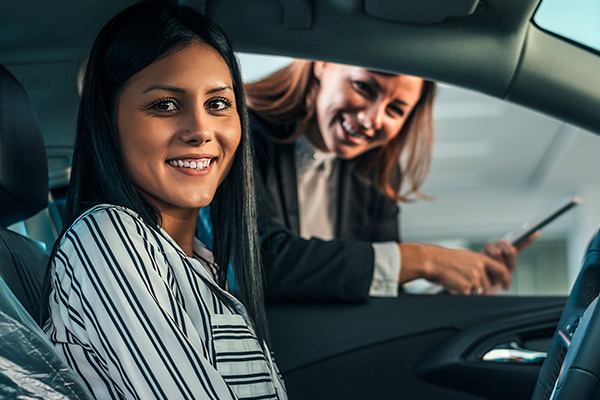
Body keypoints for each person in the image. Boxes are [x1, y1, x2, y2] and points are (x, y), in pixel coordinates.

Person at [42, 2, 287, 399]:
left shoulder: (203, 263)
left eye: (218, 104)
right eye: (165, 105)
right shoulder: (107, 237)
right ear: (108, 121)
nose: (200, 130)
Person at [232, 60, 536, 302]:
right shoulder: (239, 133)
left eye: (395, 110)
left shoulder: (376, 174)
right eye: (363, 86)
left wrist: (459, 285)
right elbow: (257, 262)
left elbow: (380, 292)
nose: (372, 119)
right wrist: (424, 259)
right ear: (322, 63)